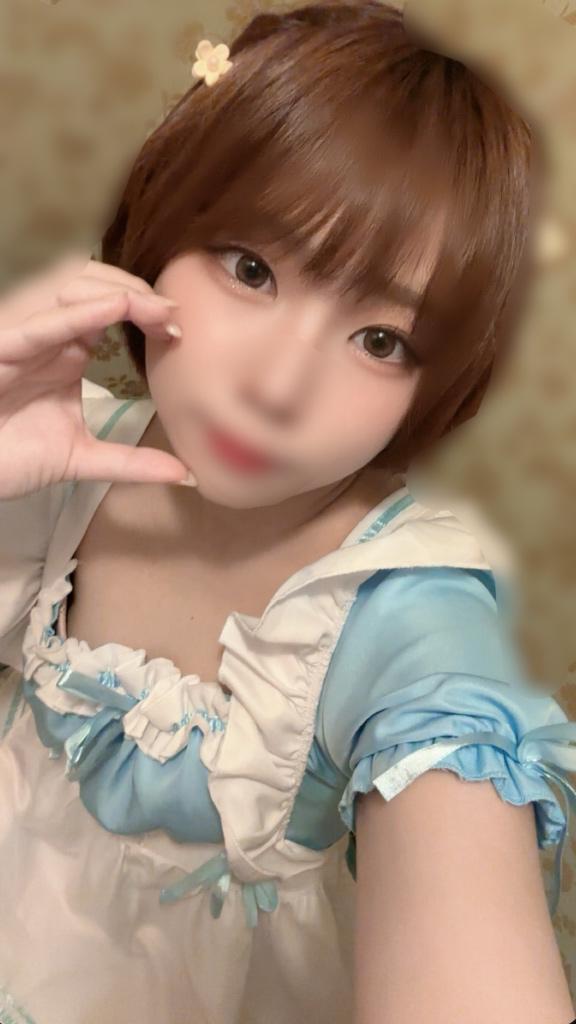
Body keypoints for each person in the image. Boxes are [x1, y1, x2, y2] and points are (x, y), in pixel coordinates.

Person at [0, 3, 575, 1022]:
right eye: (251, 268)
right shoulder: (66, 446)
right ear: (160, 230)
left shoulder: (405, 614)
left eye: (381, 340)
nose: (276, 388)